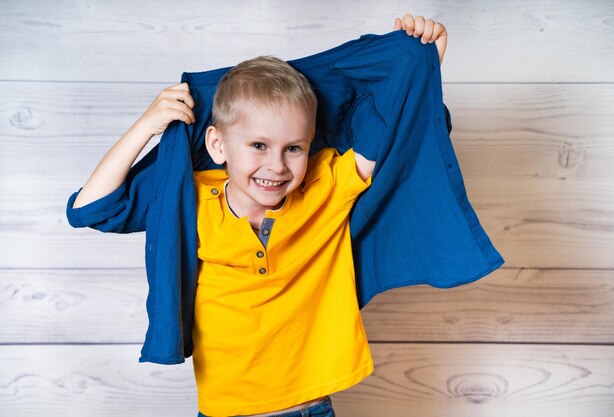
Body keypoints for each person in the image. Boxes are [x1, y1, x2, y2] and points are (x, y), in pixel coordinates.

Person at [71, 14, 448, 417]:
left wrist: (423, 58)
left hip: (313, 408)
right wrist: (147, 126)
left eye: (293, 148)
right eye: (258, 145)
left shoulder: (326, 187)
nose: (277, 166)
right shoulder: (191, 198)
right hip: (225, 411)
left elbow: (393, 124)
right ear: (217, 145)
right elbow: (90, 209)